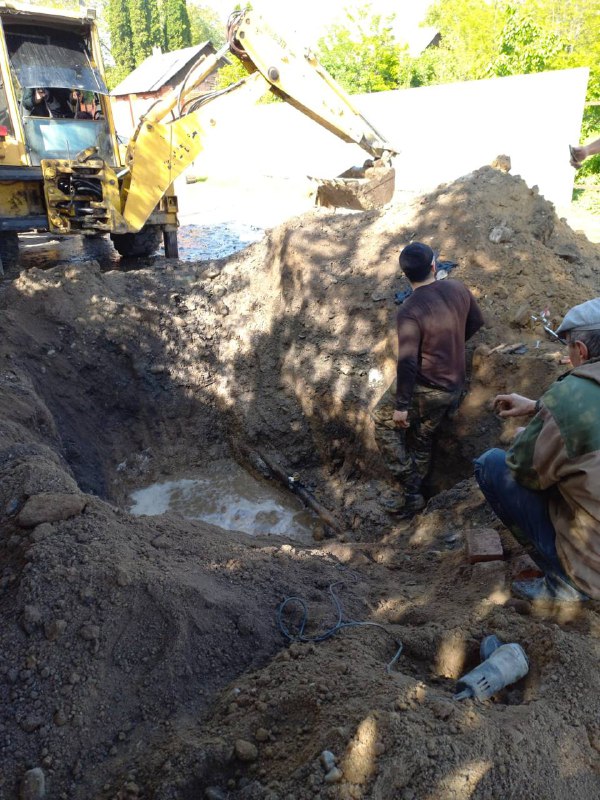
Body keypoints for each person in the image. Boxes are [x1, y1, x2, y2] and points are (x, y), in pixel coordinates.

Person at [475, 297, 600, 603]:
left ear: (581, 351)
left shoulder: (570, 396)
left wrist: (527, 437)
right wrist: (538, 408)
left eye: (568, 346)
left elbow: (524, 471)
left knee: (491, 464)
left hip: (593, 562)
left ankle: (566, 583)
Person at [372, 242, 484, 516]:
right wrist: (454, 343)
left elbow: (408, 362)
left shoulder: (410, 309)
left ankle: (410, 490)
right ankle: (416, 495)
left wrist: (400, 406)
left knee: (382, 422)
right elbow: (477, 321)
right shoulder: (458, 288)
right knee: (423, 437)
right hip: (453, 387)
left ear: (406, 275)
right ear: (434, 266)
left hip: (428, 386)